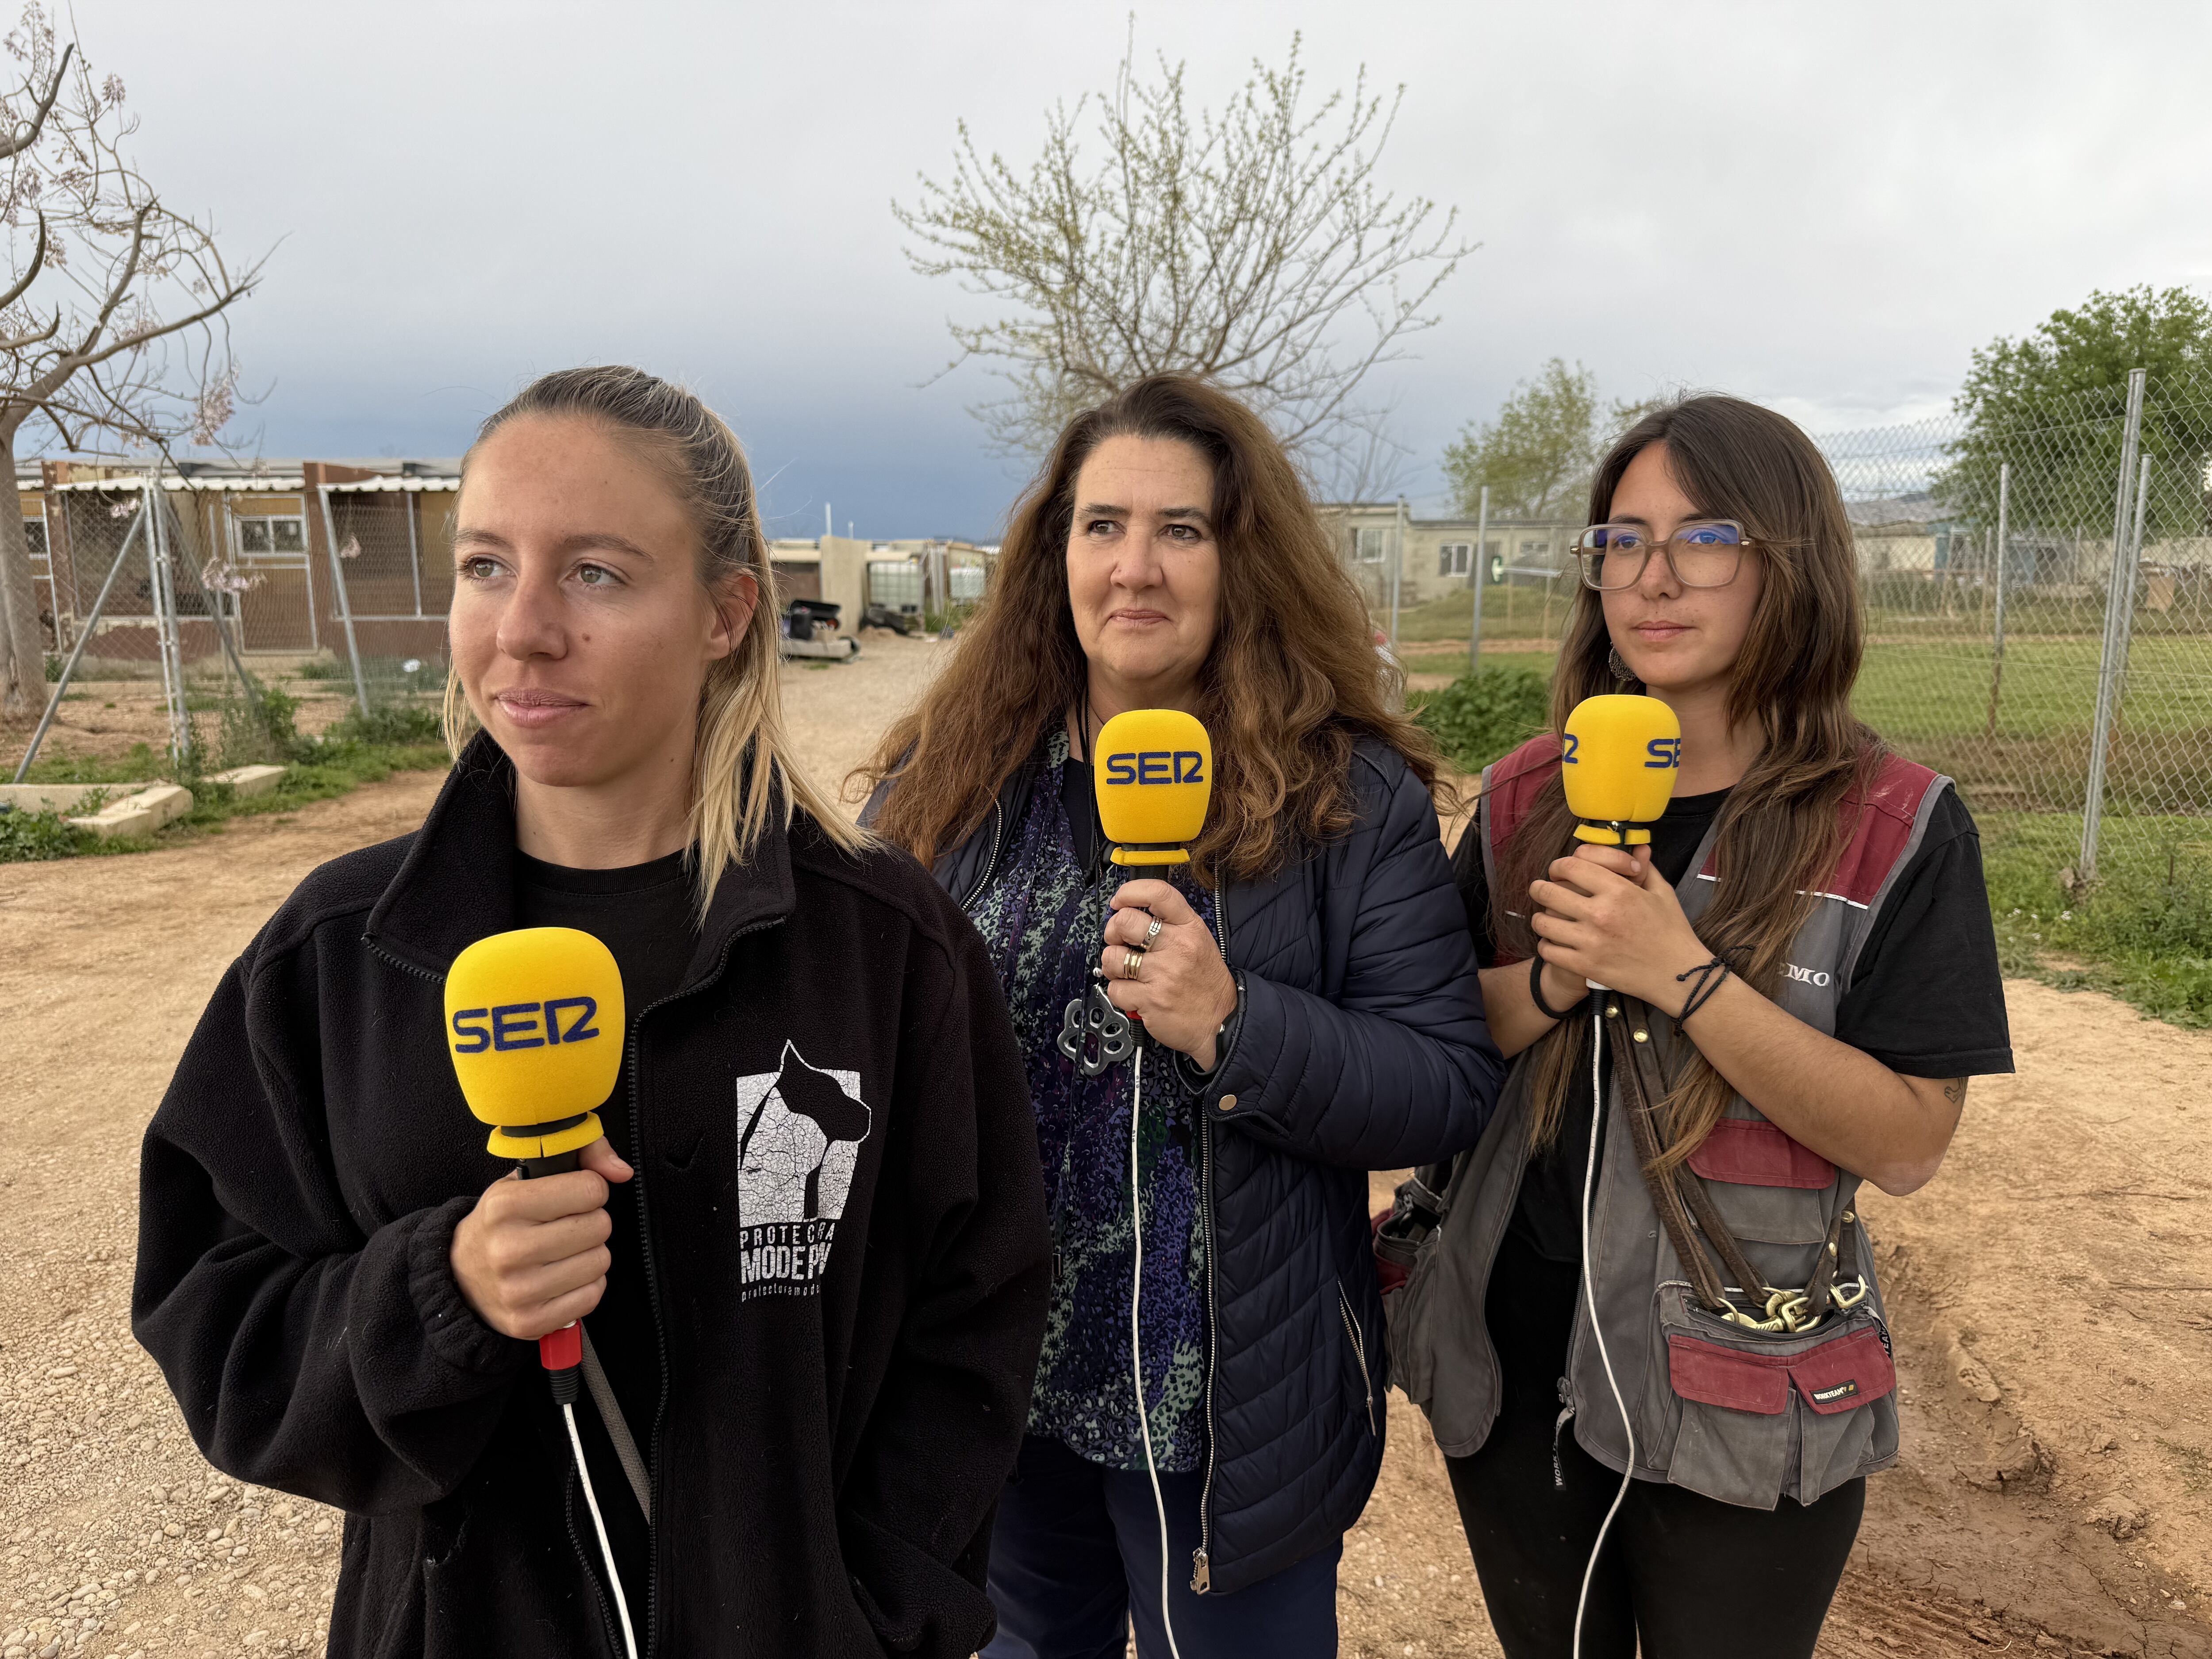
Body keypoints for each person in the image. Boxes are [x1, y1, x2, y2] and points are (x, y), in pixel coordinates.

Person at [132, 366, 1052, 1659]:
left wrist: (879, 1612)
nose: (524, 630)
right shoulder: (340, 957)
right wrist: (437, 1294)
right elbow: (216, 1324)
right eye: (486, 566)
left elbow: (980, 1311)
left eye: (598, 575)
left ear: (729, 613)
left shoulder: (884, 949)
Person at [858, 374, 1504, 1659]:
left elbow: (1444, 1080)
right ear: (1056, 557)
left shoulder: (1348, 798)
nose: (1135, 567)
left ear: (1239, 557)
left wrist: (1236, 1024)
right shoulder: (950, 782)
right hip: (1003, 1381)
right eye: (1102, 526)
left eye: (1182, 530)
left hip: (1226, 1408)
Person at [1382, 396, 2013, 1658]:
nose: (1652, 578)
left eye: (1703, 538)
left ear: (1792, 563)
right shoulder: (1522, 795)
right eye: (1621, 540)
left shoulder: (1895, 824)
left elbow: (1906, 1141)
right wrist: (1559, 982)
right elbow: (1438, 1038)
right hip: (1508, 1366)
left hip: (1747, 1388)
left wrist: (1684, 976)